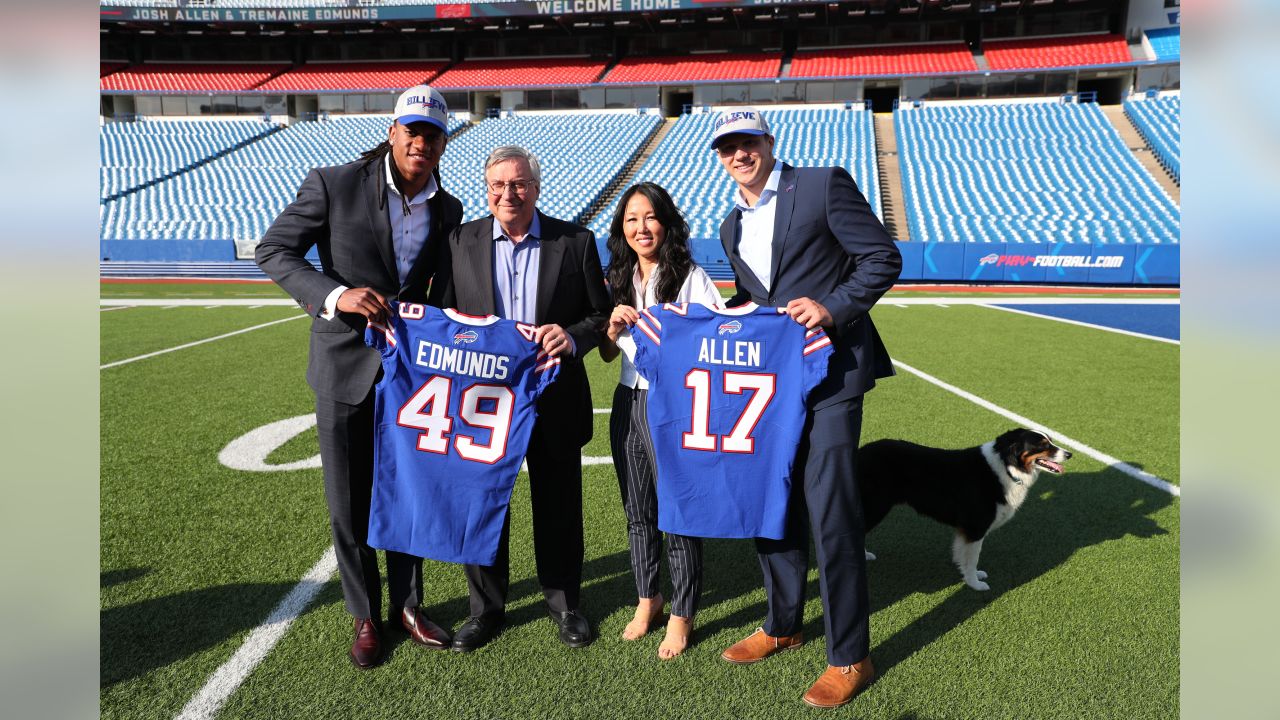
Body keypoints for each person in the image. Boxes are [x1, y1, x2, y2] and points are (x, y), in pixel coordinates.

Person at [255, 85, 462, 669]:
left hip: (409, 376)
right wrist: (337, 295)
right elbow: (274, 251)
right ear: (393, 132)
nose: (421, 141)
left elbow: (441, 295)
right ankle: (365, 615)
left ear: (444, 143)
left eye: (433, 134)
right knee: (348, 501)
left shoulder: (450, 209)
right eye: (412, 130)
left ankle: (409, 606)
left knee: (407, 493)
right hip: (343, 365)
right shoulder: (334, 183)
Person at [709, 108, 902, 707]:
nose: (740, 153)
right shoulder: (729, 227)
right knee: (776, 505)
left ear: (770, 142)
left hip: (834, 377)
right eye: (728, 146)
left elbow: (882, 258)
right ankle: (782, 624)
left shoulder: (820, 184)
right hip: (774, 385)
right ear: (719, 157)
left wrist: (830, 306)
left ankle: (851, 656)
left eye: (749, 142)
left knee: (832, 512)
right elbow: (756, 299)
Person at [429, 145, 611, 651]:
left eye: (519, 183)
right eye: (498, 185)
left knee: (559, 505)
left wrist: (572, 337)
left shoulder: (575, 241)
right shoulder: (460, 241)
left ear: (536, 185)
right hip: (483, 405)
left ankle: (565, 603)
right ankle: (485, 609)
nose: (508, 193)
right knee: (484, 505)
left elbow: (601, 314)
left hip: (552, 396)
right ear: (486, 190)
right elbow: (444, 318)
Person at [596, 182, 722, 660]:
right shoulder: (618, 276)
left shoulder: (690, 276)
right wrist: (612, 328)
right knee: (637, 512)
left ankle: (682, 613)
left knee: (678, 514)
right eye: (631, 219)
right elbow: (610, 354)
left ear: (666, 222)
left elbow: (712, 347)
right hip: (629, 400)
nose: (641, 227)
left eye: (649, 217)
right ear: (621, 228)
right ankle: (649, 598)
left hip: (676, 406)